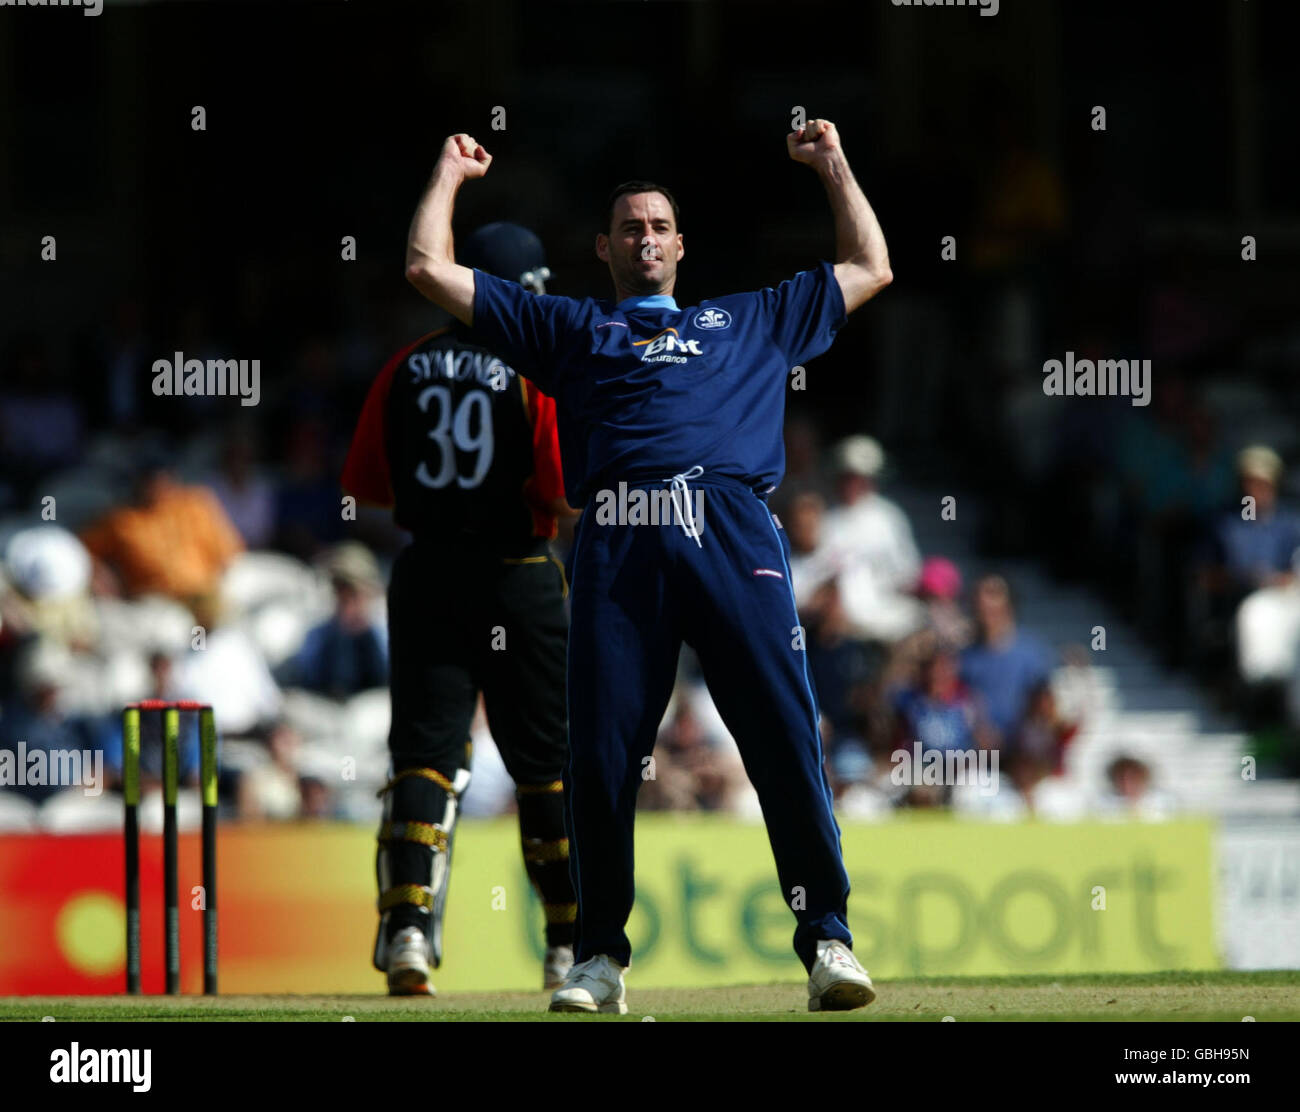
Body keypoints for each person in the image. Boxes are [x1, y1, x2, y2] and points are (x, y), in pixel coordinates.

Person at [402, 120, 893, 1013]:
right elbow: (428, 271)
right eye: (630, 227)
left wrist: (832, 166)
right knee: (599, 757)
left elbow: (871, 267)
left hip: (732, 534)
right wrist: (446, 175)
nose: (646, 238)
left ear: (681, 243)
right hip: (620, 542)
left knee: (783, 740)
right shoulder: (570, 329)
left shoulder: (750, 318)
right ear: (604, 247)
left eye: (660, 225)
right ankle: (598, 959)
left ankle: (828, 940)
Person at [342, 222, 578, 996]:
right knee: (546, 769)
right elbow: (562, 492)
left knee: (424, 758)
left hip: (427, 575)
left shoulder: (404, 366)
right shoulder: (533, 369)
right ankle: (569, 945)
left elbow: (368, 488)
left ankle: (407, 932)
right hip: (518, 577)